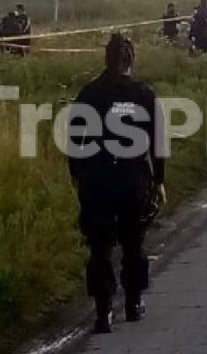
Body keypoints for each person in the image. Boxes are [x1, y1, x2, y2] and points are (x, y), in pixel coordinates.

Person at [68, 33, 167, 334]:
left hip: (96, 178)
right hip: (132, 179)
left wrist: (78, 174)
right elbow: (158, 143)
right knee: (133, 242)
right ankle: (134, 303)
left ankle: (103, 312)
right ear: (130, 60)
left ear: (106, 58)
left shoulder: (88, 94)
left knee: (99, 246)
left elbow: (75, 142)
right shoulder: (144, 94)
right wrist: (159, 180)